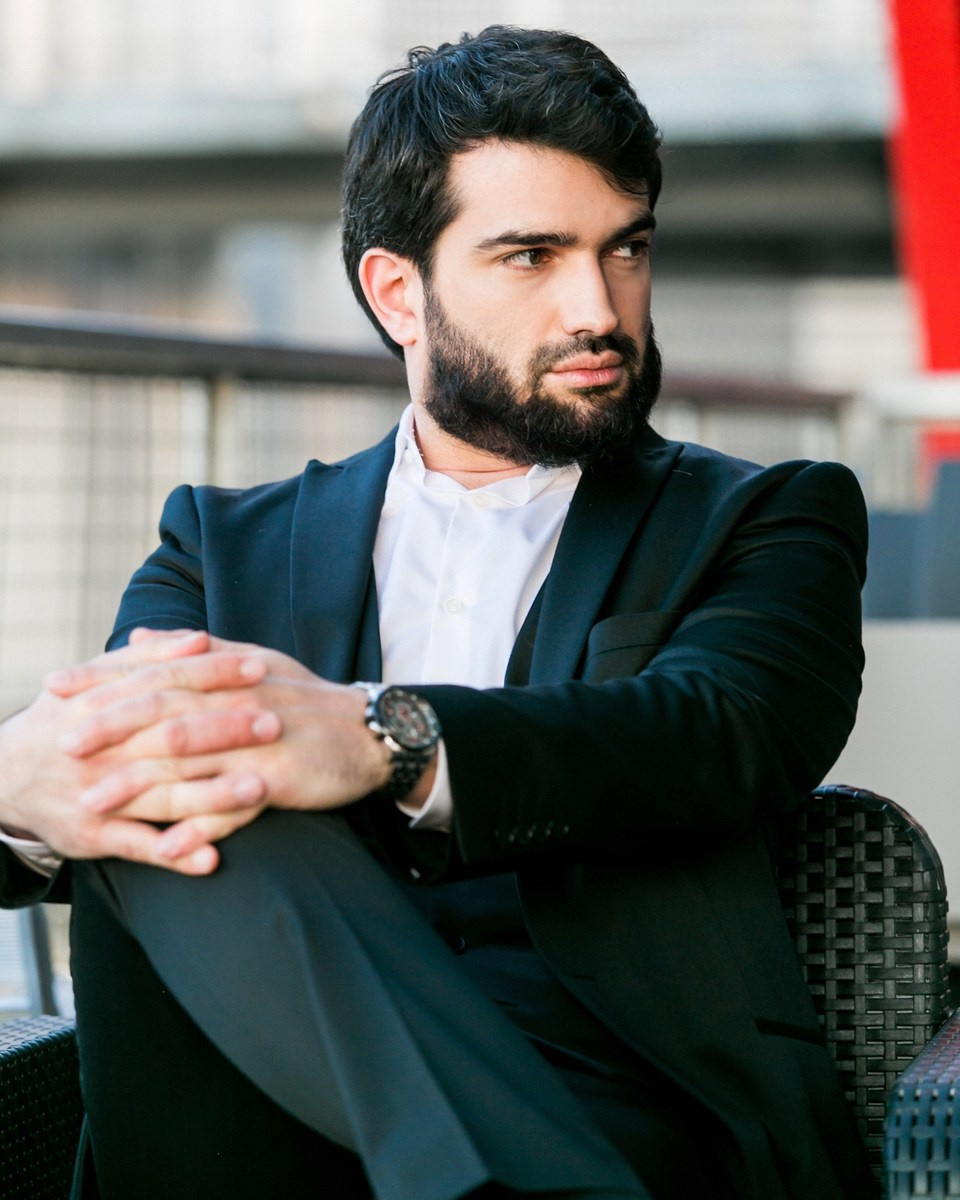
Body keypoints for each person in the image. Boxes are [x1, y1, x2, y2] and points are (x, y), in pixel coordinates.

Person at [0, 25, 877, 1200]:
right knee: (192, 773)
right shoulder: (220, 542)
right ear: (397, 293)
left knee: (213, 756)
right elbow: (131, 769)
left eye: (625, 250)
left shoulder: (766, 517)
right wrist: (18, 786)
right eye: (532, 257)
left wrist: (383, 738)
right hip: (255, 1108)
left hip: (620, 1094)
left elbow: (717, 734)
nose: (599, 308)